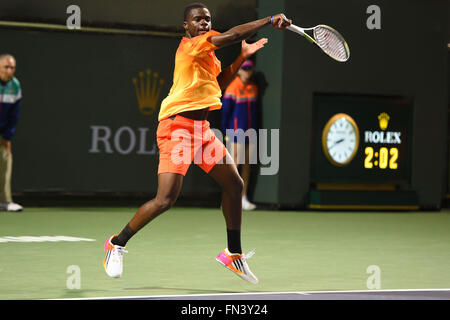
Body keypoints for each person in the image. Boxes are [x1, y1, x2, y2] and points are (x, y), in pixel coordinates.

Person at [103, 3, 291, 283]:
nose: (204, 23)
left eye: (207, 19)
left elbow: (220, 81)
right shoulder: (192, 46)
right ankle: (116, 243)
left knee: (235, 184)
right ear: (186, 27)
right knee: (165, 199)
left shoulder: (209, 57)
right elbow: (231, 35)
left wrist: (241, 57)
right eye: (198, 20)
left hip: (202, 130)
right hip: (176, 127)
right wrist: (269, 19)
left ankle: (233, 254)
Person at [221, 59, 259, 211]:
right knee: (234, 166)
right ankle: (229, 198)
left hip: (250, 132)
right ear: (239, 71)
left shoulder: (253, 88)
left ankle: (243, 198)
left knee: (246, 166)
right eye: (244, 69)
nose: (246, 72)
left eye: (249, 69)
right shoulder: (232, 88)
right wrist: (226, 132)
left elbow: (255, 113)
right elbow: (225, 113)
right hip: (235, 132)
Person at [0, 54, 23, 212]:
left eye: (12, 67)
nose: (10, 70)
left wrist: (7, 137)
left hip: (2, 132)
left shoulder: (15, 85)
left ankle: (5, 201)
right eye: (6, 67)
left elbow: (14, 114)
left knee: (6, 158)